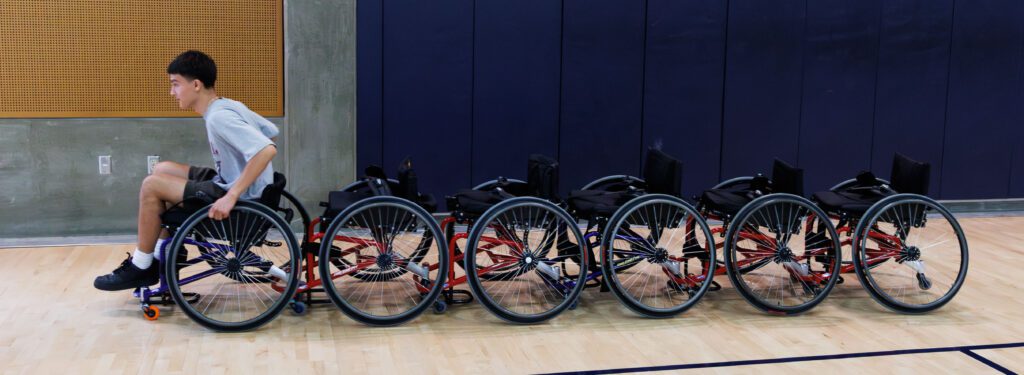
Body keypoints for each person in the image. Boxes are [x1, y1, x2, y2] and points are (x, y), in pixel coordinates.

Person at [94, 50, 280, 291]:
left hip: (242, 198)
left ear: (195, 85)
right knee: (162, 169)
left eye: (175, 84)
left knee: (151, 185)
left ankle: (141, 266)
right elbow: (270, 129)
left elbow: (266, 149)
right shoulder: (227, 105)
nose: (172, 92)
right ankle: (166, 252)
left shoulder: (219, 117)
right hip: (232, 182)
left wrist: (232, 195)